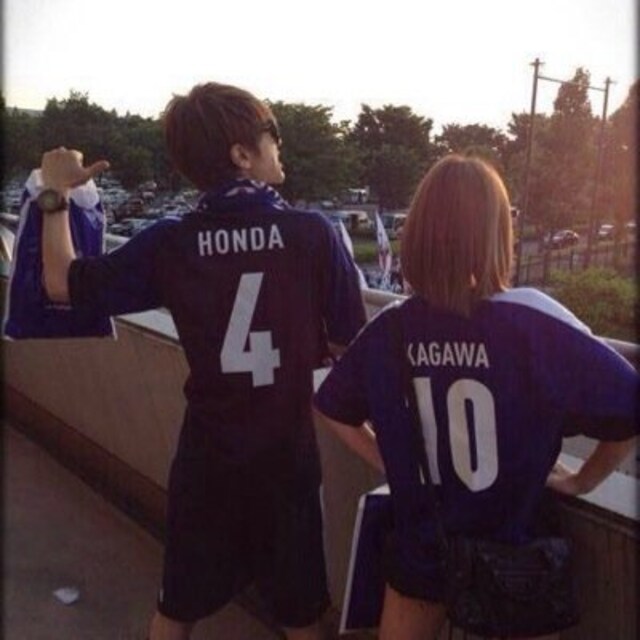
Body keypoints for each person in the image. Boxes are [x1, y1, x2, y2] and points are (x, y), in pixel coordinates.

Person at [38, 82, 367, 640]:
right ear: (242, 154)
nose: (280, 147)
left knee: (178, 607)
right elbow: (348, 349)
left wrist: (55, 192)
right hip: (286, 463)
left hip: (207, 462)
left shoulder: (172, 241)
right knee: (302, 616)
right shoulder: (314, 234)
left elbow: (61, 284)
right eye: (272, 135)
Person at [313, 154, 638, 640]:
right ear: (495, 235)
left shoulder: (391, 328)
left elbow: (330, 405)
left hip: (423, 544)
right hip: (516, 555)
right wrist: (583, 481)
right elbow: (629, 404)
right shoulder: (536, 320)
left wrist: (392, 462)